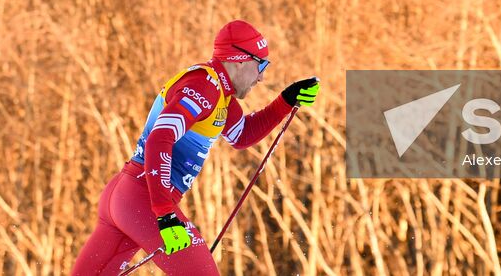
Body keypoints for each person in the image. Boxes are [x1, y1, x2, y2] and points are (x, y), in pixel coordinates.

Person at [71, 20, 321, 275]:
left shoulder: (221, 96)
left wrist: (286, 100)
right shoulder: (202, 87)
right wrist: (165, 214)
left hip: (127, 195)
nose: (262, 77)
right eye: (262, 65)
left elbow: (242, 135)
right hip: (143, 198)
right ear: (240, 60)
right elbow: (161, 137)